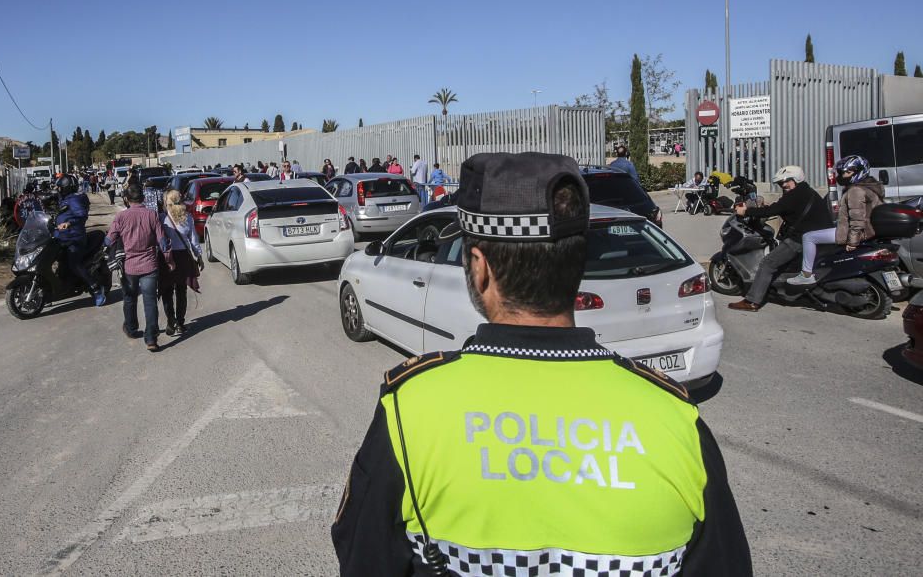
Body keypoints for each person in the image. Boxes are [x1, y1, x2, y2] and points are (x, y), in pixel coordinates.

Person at [332, 152, 751, 576]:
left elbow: (363, 558)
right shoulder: (676, 421)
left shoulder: (409, 411)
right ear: (577, 264)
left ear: (480, 271)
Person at [728, 165, 833, 311]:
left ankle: (752, 301)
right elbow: (783, 208)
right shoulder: (806, 192)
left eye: (787, 181)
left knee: (767, 263)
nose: (784, 185)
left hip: (800, 239)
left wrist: (746, 211)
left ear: (796, 179)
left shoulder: (795, 195)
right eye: (781, 183)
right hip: (815, 236)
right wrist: (767, 208)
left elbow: (774, 210)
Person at [788, 155, 883, 285]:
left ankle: (806, 274)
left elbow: (857, 219)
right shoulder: (871, 187)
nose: (843, 176)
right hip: (868, 231)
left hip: (853, 233)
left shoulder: (856, 191)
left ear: (859, 171)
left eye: (848, 172)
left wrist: (853, 241)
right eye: (842, 172)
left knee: (808, 237)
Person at [105, 183, 169, 351]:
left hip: (129, 267)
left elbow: (109, 240)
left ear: (126, 199)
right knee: (150, 302)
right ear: (143, 198)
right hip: (149, 265)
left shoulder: (121, 217)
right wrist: (169, 259)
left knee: (129, 298)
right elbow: (162, 241)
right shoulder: (152, 215)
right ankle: (151, 339)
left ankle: (132, 328)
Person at [54, 175, 106, 306]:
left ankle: (96, 288)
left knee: (74, 263)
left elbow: (82, 214)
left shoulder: (74, 200)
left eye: (60, 187)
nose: (58, 190)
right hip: (61, 237)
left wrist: (69, 223)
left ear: (66, 188)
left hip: (74, 238)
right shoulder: (65, 199)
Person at [159, 190, 203, 336]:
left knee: (167, 291)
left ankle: (170, 321)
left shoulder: (162, 218)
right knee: (181, 290)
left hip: (167, 258)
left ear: (167, 202)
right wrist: (199, 256)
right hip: (183, 257)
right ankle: (180, 322)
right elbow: (194, 240)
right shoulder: (187, 217)